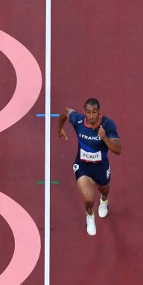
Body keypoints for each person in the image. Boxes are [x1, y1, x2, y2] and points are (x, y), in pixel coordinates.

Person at [57, 99, 121, 236]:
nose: (91, 116)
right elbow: (65, 111)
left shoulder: (108, 125)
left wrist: (105, 138)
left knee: (104, 188)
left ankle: (104, 200)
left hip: (101, 167)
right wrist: (60, 129)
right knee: (88, 200)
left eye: (94, 112)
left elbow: (118, 149)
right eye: (88, 112)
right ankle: (90, 215)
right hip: (83, 166)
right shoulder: (78, 120)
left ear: (99, 112)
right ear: (84, 112)